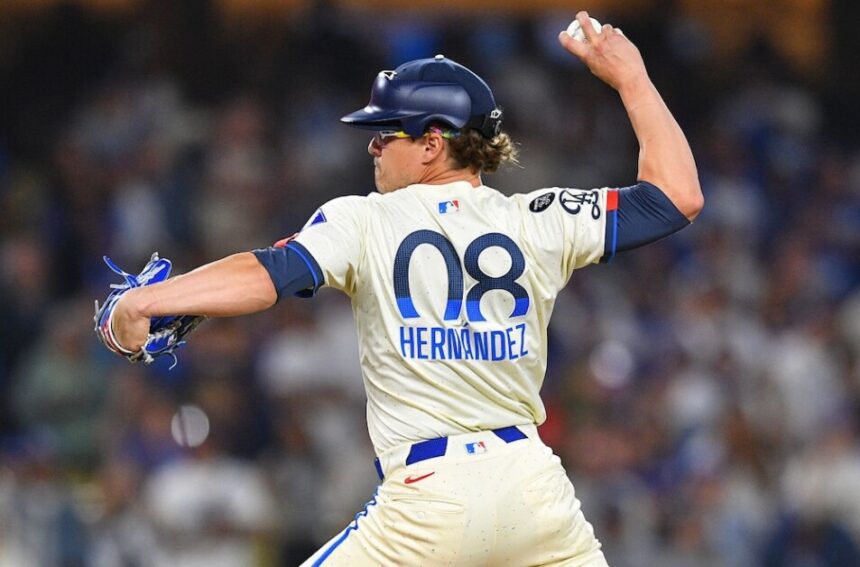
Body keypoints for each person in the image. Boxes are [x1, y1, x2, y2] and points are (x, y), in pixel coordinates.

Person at [107, 12, 703, 566]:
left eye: (386, 133)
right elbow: (676, 196)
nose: (372, 146)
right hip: (535, 493)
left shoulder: (365, 220)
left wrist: (148, 300)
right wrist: (631, 77)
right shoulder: (538, 218)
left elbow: (270, 274)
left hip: (429, 501)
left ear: (432, 143)